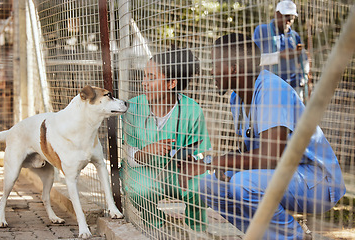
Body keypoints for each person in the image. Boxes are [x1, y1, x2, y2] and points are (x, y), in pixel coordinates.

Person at [179, 33, 345, 239]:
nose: (211, 70)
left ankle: (295, 237)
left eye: (215, 63)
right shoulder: (236, 98)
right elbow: (250, 151)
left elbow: (269, 157)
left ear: (233, 68)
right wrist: (211, 163)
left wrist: (216, 163)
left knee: (243, 183)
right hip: (286, 175)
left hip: (318, 182)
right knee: (208, 185)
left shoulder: (271, 89)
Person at [121, 48, 212, 234]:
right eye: (144, 76)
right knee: (139, 188)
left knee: (203, 183)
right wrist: (145, 152)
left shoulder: (192, 110)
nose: (144, 83)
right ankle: (156, 224)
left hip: (176, 172)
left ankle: (197, 228)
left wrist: (191, 162)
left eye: (151, 78)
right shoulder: (132, 108)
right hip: (142, 171)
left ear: (171, 83)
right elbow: (124, 153)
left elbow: (202, 152)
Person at [253, 0, 309, 99]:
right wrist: (279, 56)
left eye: (291, 17)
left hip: (292, 87)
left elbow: (304, 61)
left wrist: (302, 80)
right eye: (285, 15)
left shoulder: (294, 36)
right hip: (269, 86)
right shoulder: (262, 31)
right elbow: (254, 60)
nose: (288, 20)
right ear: (276, 14)